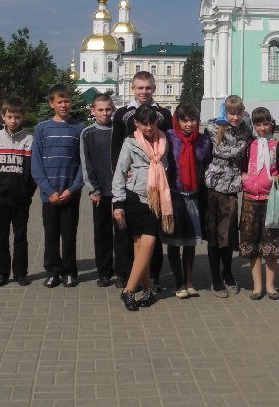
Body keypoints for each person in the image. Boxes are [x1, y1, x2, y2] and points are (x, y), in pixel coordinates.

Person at [111, 71, 173, 292]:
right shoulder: (122, 113)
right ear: (133, 89)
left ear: (153, 89)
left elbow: (168, 146)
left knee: (151, 238)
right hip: (133, 185)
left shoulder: (163, 113)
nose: (144, 92)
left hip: (157, 186)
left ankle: (153, 277)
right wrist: (123, 173)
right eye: (140, 88)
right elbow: (116, 146)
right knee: (130, 236)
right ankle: (126, 274)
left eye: (148, 88)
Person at [31, 84, 84, 288]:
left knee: (69, 235)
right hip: (50, 195)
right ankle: (53, 271)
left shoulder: (79, 129)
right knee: (51, 234)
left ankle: (70, 271)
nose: (64, 105)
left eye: (67, 101)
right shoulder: (42, 129)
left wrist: (73, 189)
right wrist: (49, 191)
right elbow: (36, 164)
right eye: (59, 102)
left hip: (71, 193)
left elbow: (84, 164)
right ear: (51, 104)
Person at [0, 96, 37, 287]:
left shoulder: (29, 140)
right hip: (0, 199)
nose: (13, 121)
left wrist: (27, 192)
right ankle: (2, 273)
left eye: (17, 117)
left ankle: (21, 273)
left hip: (21, 199)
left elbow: (33, 172)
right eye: (10, 117)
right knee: (1, 236)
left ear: (23, 117)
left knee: (21, 236)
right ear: (3, 118)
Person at [203, 95, 250, 297]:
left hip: (232, 187)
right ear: (225, 112)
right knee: (214, 235)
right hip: (213, 186)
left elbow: (245, 152)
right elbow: (221, 151)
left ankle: (228, 273)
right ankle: (215, 278)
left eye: (239, 113)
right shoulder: (213, 127)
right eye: (231, 113)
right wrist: (240, 146)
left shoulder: (245, 130)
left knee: (228, 235)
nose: (235, 117)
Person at [239, 107, 279, 300]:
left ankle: (270, 285)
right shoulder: (249, 146)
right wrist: (245, 179)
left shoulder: (278, 146)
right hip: (250, 199)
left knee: (271, 244)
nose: (262, 128)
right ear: (253, 125)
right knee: (252, 244)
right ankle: (257, 286)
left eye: (266, 124)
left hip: (271, 200)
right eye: (258, 124)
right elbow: (241, 167)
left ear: (271, 124)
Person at [165, 102, 210, 300]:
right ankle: (179, 283)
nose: (189, 124)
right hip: (174, 195)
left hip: (194, 195)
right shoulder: (169, 137)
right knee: (175, 242)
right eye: (184, 120)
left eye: (192, 120)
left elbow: (206, 164)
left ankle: (189, 281)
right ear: (178, 121)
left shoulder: (204, 141)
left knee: (190, 242)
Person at [80, 94, 117, 287]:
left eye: (108, 109)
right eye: (100, 110)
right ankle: (104, 272)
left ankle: (123, 271)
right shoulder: (88, 133)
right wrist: (93, 190)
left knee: (122, 232)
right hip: (100, 192)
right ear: (93, 111)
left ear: (113, 109)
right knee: (102, 233)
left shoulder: (119, 130)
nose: (105, 113)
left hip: (120, 191)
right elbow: (86, 163)